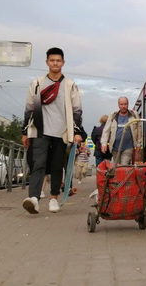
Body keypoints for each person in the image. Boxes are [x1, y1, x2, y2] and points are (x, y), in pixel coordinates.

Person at [21, 47, 84, 214]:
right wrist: (24, 132)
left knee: (57, 166)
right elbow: (29, 109)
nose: (55, 63)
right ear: (47, 62)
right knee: (38, 164)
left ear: (63, 63)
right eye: (52, 60)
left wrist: (77, 132)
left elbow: (77, 110)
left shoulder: (70, 85)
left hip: (62, 132)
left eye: (58, 60)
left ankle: (54, 199)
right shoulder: (37, 84)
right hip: (40, 131)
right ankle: (33, 198)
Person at [101, 97, 141, 165]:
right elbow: (106, 130)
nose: (123, 106)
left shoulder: (134, 115)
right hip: (115, 148)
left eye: (125, 104)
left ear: (128, 104)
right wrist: (103, 143)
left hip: (128, 147)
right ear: (118, 105)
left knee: (124, 166)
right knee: (117, 167)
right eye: (121, 104)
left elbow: (139, 130)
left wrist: (138, 143)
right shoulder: (113, 116)